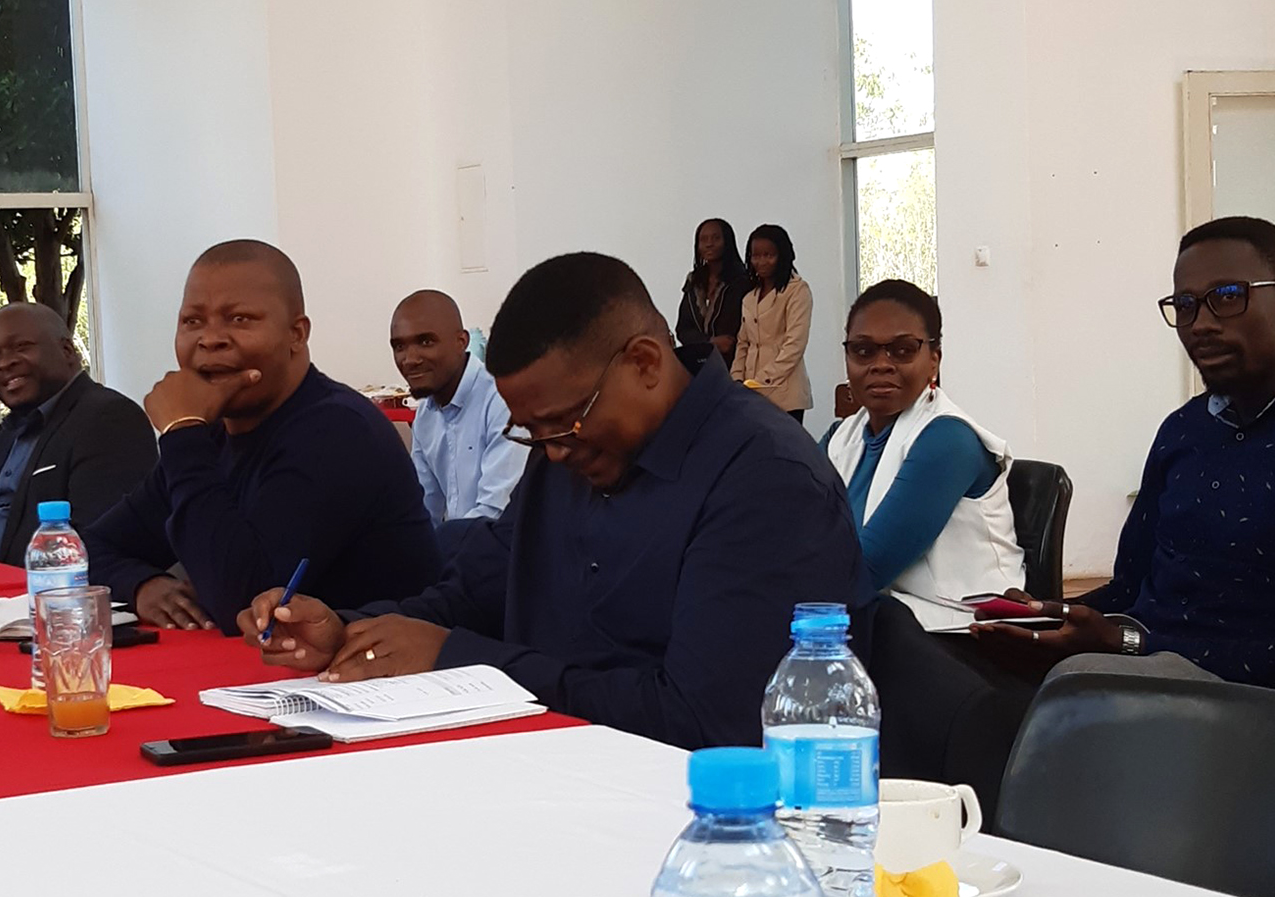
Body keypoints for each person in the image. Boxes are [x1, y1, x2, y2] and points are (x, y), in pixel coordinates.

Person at [238, 252, 862, 749]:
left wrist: (458, 657)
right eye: (532, 432)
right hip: (542, 767)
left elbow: (703, 723)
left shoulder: (762, 481)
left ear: (645, 363)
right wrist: (351, 629)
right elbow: (475, 591)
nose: (551, 451)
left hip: (685, 815)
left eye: (562, 424)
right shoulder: (569, 451)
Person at [973, 216, 1275, 697]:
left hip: (1271, 707)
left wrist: (1129, 644)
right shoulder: (1183, 431)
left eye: (1227, 297)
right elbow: (1129, 592)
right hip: (1152, 679)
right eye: (1184, 305)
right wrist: (1047, 614)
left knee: (1059, 698)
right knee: (961, 670)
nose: (1201, 324)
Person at [85, 240, 441, 633]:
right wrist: (142, 585)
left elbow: (242, 606)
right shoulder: (215, 435)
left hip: (372, 681)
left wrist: (182, 433)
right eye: (192, 321)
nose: (210, 339)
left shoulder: (338, 431)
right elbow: (91, 550)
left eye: (240, 320)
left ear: (297, 334)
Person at [820, 280, 1024, 628]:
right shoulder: (840, 437)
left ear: (934, 360)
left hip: (964, 637)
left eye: (902, 350)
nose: (881, 364)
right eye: (863, 350)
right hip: (883, 623)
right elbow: (788, 530)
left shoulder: (948, 440)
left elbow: (866, 568)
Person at [0, 303, 157, 565]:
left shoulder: (107, 418)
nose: (5, 364)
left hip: (39, 593)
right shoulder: (4, 440)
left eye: (21, 347)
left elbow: (100, 542)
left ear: (67, 351)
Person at [389, 289, 525, 551]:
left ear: (462, 341)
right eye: (399, 346)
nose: (410, 359)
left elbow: (495, 517)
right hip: (460, 562)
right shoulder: (426, 415)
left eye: (426, 342)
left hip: (506, 562)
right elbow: (421, 511)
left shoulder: (501, 401)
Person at [732, 223, 813, 422]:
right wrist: (735, 381)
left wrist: (759, 383)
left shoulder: (797, 290)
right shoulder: (749, 297)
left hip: (784, 394)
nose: (761, 262)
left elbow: (794, 346)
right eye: (756, 256)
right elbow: (743, 343)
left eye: (769, 255)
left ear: (783, 255)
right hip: (749, 395)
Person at [676, 218, 752, 368]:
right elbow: (683, 329)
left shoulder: (742, 282)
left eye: (716, 238)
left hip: (737, 365)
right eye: (703, 239)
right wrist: (709, 342)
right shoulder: (694, 283)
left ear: (727, 241)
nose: (709, 244)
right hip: (700, 366)